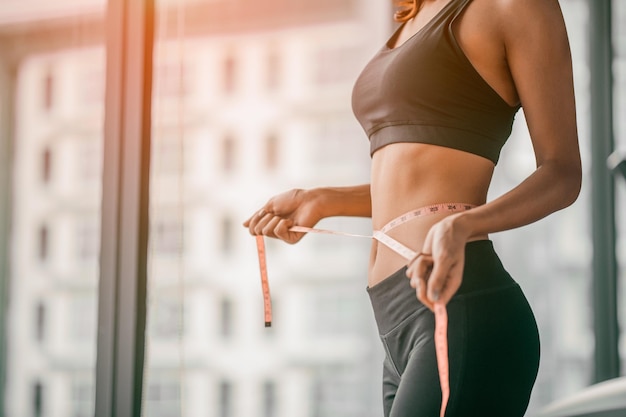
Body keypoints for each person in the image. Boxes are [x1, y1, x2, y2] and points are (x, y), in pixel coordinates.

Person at [244, 0, 581, 415]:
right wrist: (322, 200)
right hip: (394, 321)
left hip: (463, 310)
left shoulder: (513, 6)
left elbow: (563, 173)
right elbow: (415, 183)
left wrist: (462, 225)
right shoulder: (411, 15)